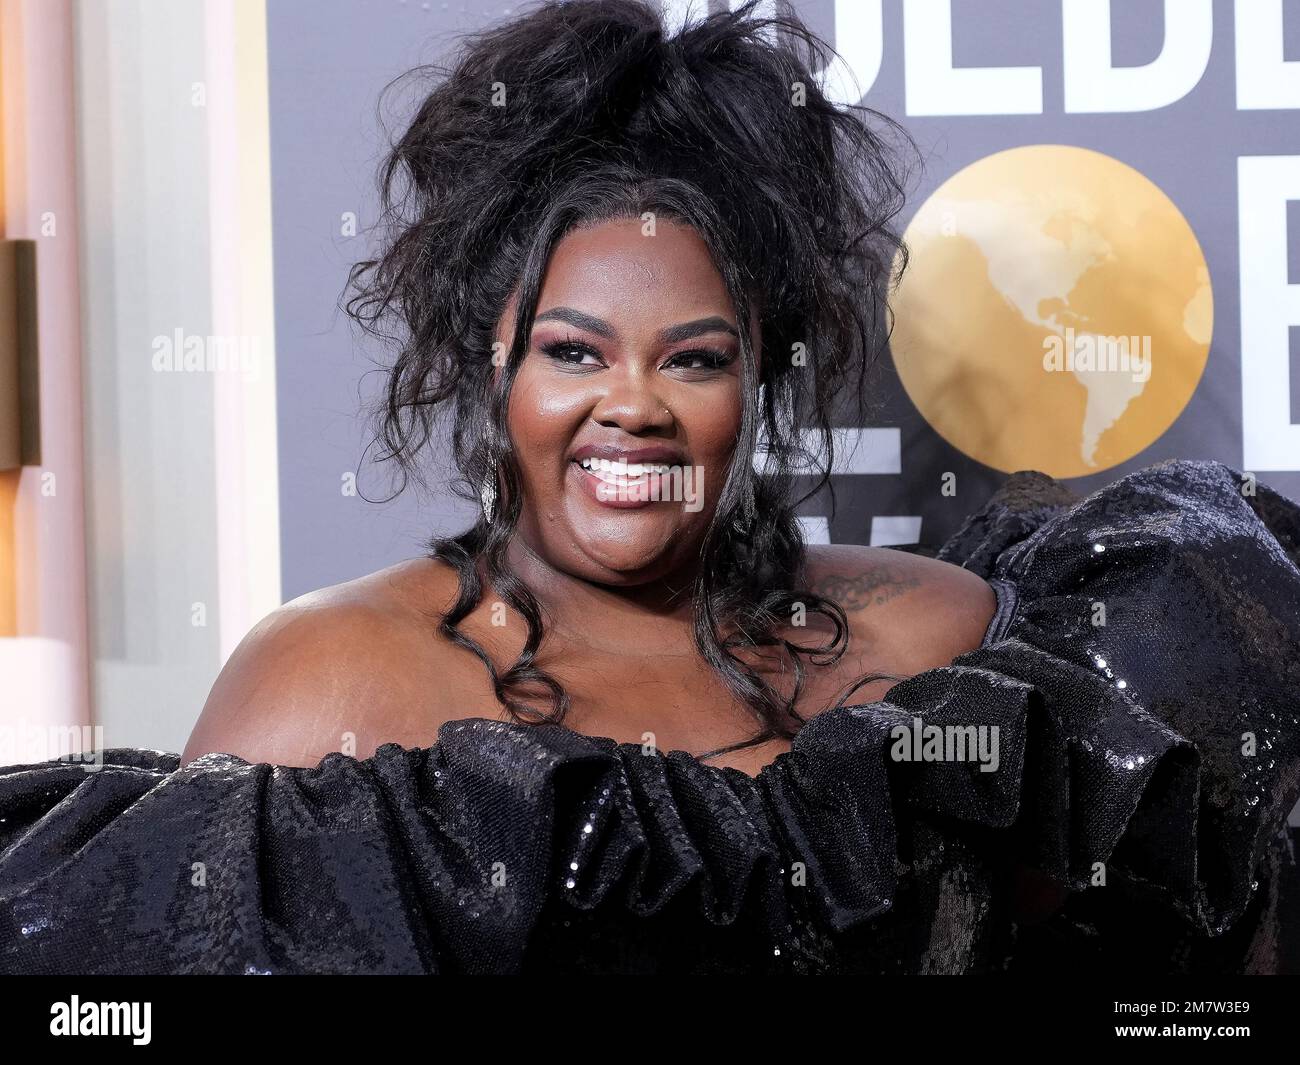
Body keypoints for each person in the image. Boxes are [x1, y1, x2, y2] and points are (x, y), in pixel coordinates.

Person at [1, 0, 1298, 975]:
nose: (634, 401)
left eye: (693, 354)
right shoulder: (329, 689)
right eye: (575, 350)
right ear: (488, 353)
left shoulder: (959, 638)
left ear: (759, 372)